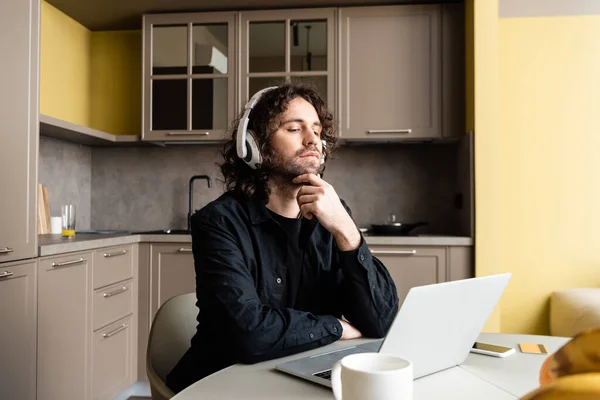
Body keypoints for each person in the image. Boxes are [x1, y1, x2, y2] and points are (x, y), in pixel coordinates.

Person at [166, 83, 399, 393]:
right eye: (294, 128)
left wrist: (347, 231)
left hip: (295, 374)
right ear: (255, 144)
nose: (312, 140)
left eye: (317, 130)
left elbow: (381, 320)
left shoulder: (333, 215)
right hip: (221, 384)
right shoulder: (220, 222)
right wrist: (335, 327)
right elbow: (248, 335)